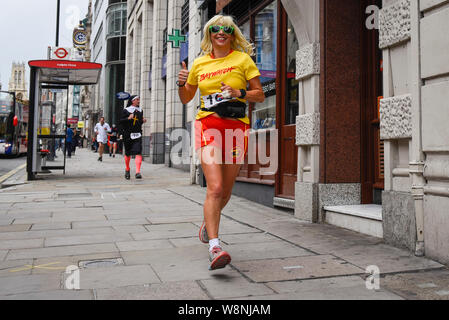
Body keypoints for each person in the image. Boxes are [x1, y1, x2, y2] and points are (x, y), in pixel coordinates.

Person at [177, 15, 265, 270]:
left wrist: (240, 93)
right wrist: (181, 82)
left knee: (226, 191)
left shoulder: (242, 59)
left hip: (237, 128)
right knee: (214, 188)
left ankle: (208, 221)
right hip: (207, 126)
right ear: (210, 33)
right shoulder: (199, 63)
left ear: (232, 34)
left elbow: (261, 94)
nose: (221, 32)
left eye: (227, 29)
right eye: (216, 28)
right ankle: (214, 245)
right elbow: (186, 98)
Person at [119, 96, 147, 179]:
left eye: (139, 99)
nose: (139, 101)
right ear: (132, 101)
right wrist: (128, 118)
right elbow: (120, 121)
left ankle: (138, 172)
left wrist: (142, 121)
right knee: (128, 153)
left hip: (137, 134)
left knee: (138, 152)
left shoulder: (140, 110)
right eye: (137, 100)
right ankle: (127, 169)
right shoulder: (126, 110)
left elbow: (138, 122)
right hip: (127, 135)